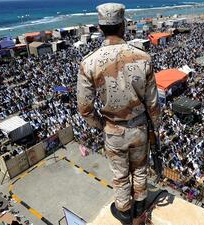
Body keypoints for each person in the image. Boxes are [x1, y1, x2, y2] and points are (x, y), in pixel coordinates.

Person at [77, 3, 160, 225]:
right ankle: (141, 202)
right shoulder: (143, 58)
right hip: (140, 126)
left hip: (113, 129)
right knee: (140, 167)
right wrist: (155, 128)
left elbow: (84, 108)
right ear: (123, 26)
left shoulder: (89, 62)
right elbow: (153, 103)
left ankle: (124, 210)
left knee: (120, 174)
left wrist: (101, 124)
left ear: (100, 27)